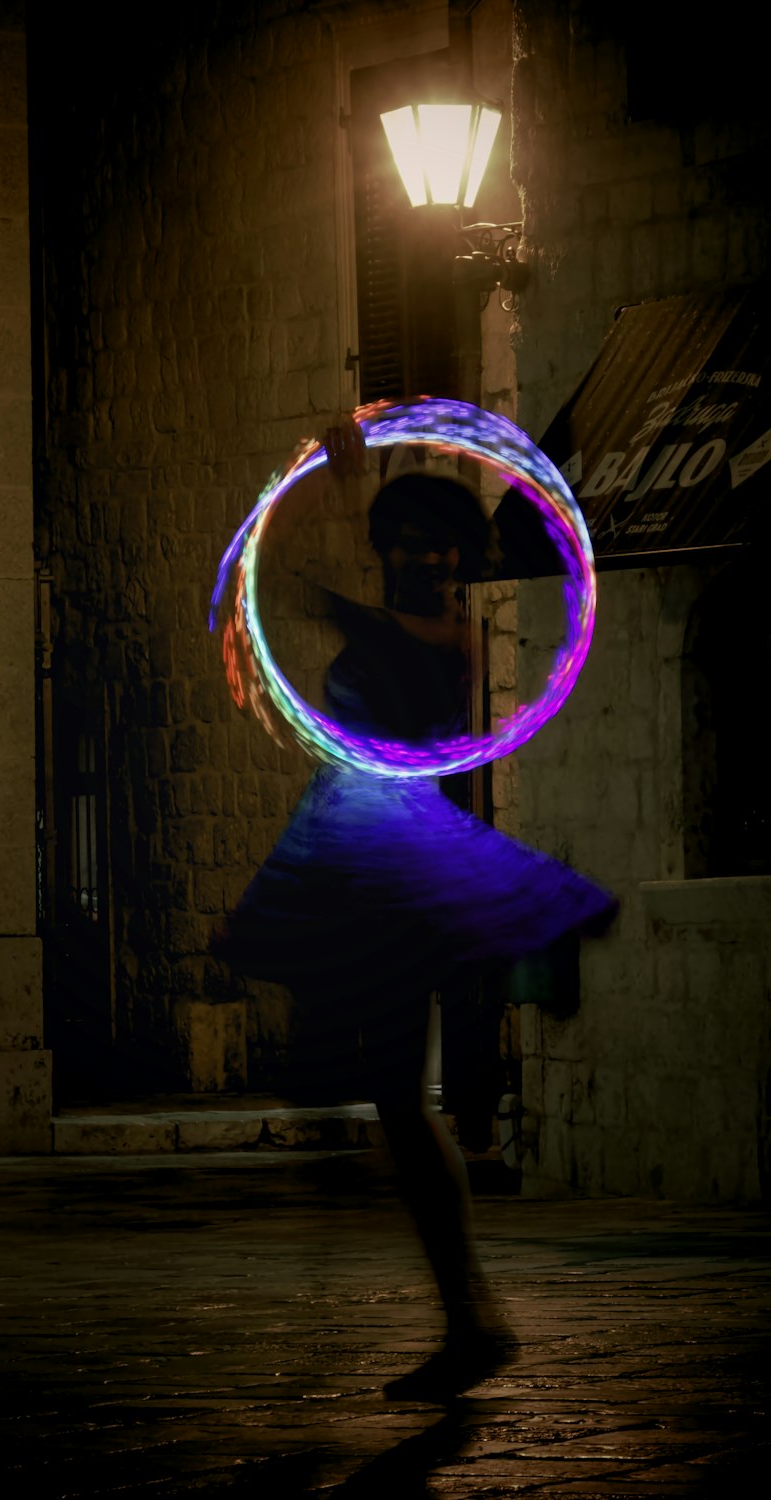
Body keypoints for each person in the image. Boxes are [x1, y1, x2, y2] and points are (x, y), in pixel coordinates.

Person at [212, 436, 616, 1402]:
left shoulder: (448, 640)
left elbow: (336, 606)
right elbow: (323, 593)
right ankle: (467, 1314)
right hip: (359, 854)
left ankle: (471, 1316)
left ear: (460, 561)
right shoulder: (392, 619)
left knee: (398, 1094)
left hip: (394, 862)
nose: (427, 560)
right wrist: (346, 488)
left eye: (442, 547)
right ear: (389, 545)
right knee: (393, 1095)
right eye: (409, 542)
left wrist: (339, 497)